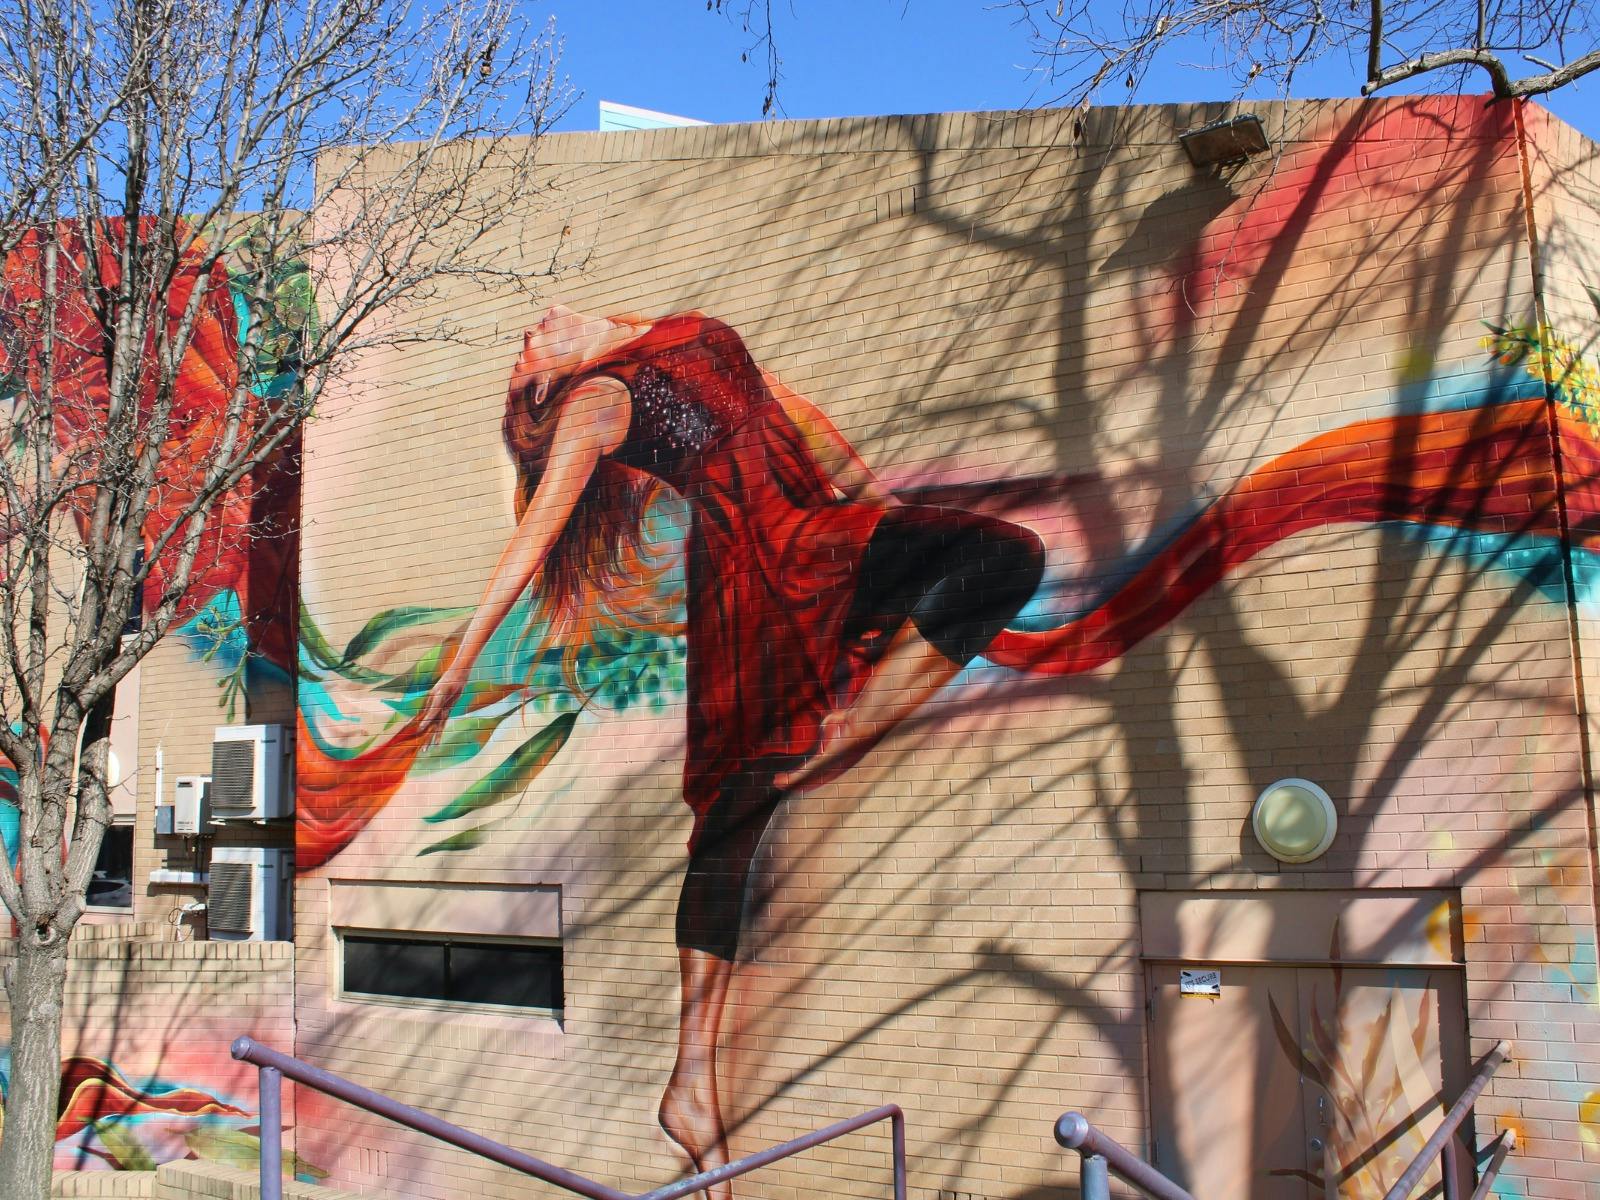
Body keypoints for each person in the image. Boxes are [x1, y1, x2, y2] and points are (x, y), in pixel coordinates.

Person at [413, 304, 1047, 1194]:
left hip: (817, 534)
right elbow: (536, 536)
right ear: (550, 388)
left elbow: (787, 413)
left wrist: (880, 503)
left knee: (1009, 557)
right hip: (752, 571)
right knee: (735, 813)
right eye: (526, 355)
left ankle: (855, 728)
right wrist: (459, 661)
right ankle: (692, 1082)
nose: (530, 330)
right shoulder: (598, 401)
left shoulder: (661, 334)